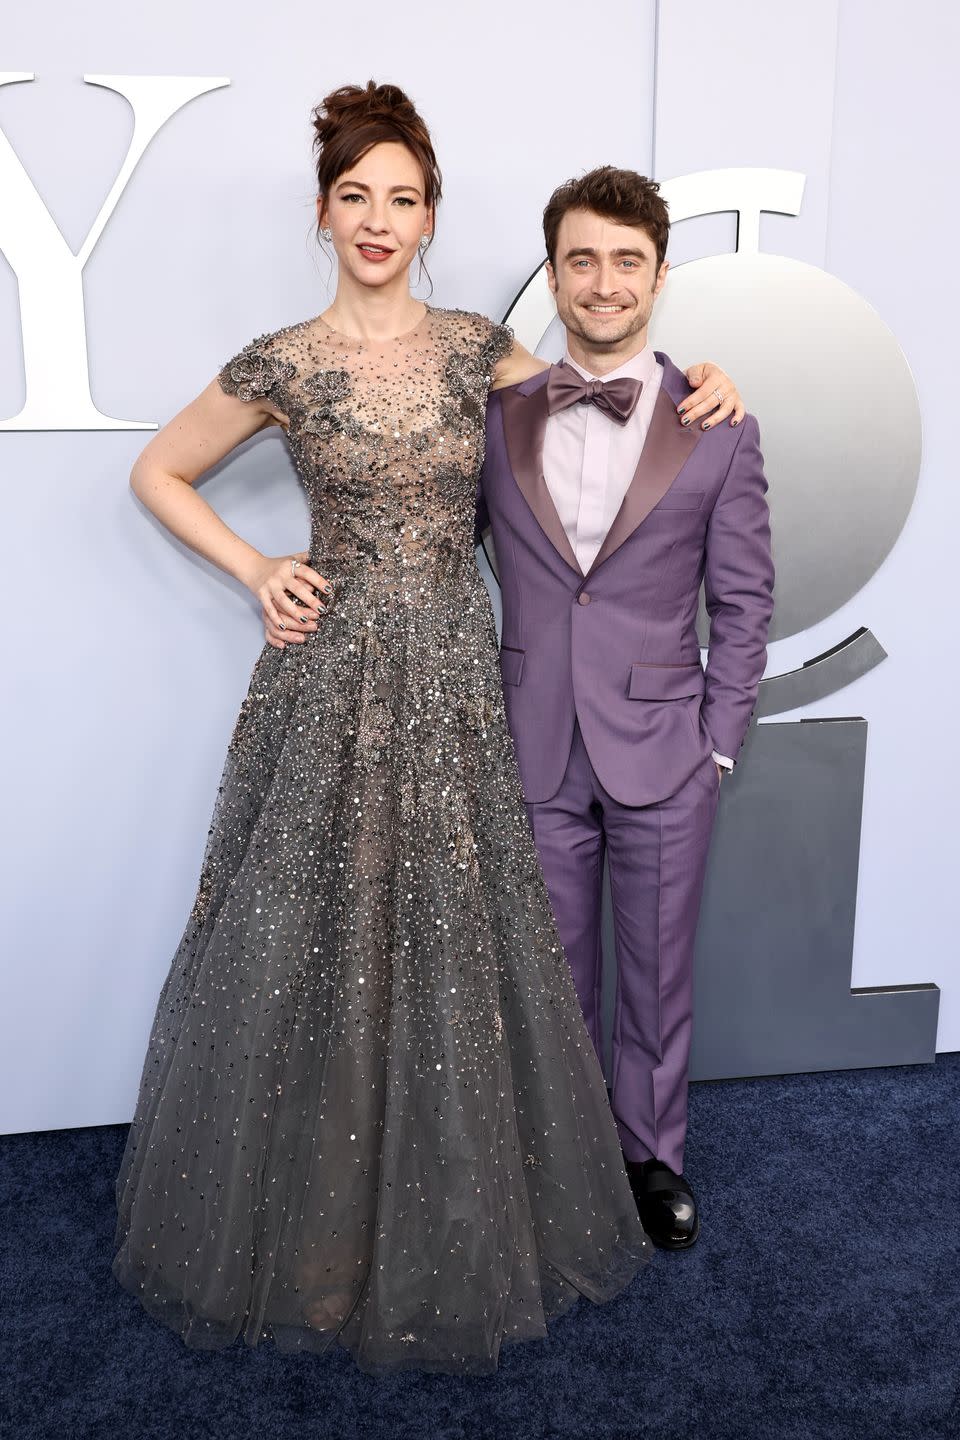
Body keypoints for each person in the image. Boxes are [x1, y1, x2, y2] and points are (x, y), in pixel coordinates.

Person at [114, 82, 743, 1375]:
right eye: (358, 196)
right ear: (326, 211)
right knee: (323, 937)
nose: (380, 219)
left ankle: (460, 1207)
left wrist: (703, 384)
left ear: (433, 213)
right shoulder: (283, 360)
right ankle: (318, 1227)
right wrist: (255, 568)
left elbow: (603, 408)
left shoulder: (477, 351)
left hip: (463, 677)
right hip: (330, 680)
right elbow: (156, 471)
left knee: (456, 940)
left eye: (404, 198)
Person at [472, 167, 775, 1251]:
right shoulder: (498, 415)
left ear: (660, 272)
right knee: (549, 970)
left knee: (656, 972)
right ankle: (558, 1158)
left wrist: (719, 745)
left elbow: (745, 600)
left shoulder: (718, 423)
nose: (602, 284)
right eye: (581, 260)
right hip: (532, 737)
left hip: (668, 746)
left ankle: (651, 1159)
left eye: (626, 260)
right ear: (553, 273)